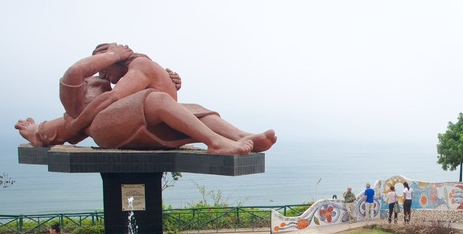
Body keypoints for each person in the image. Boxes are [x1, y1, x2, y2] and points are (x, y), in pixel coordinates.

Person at [16, 43, 276, 154]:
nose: (101, 71)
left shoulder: (121, 77)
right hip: (103, 129)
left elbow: (121, 100)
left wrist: (164, 81)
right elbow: (76, 77)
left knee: (194, 108)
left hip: (121, 125)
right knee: (155, 100)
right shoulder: (85, 85)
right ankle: (216, 142)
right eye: (97, 64)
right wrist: (111, 56)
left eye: (103, 63)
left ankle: (240, 136)